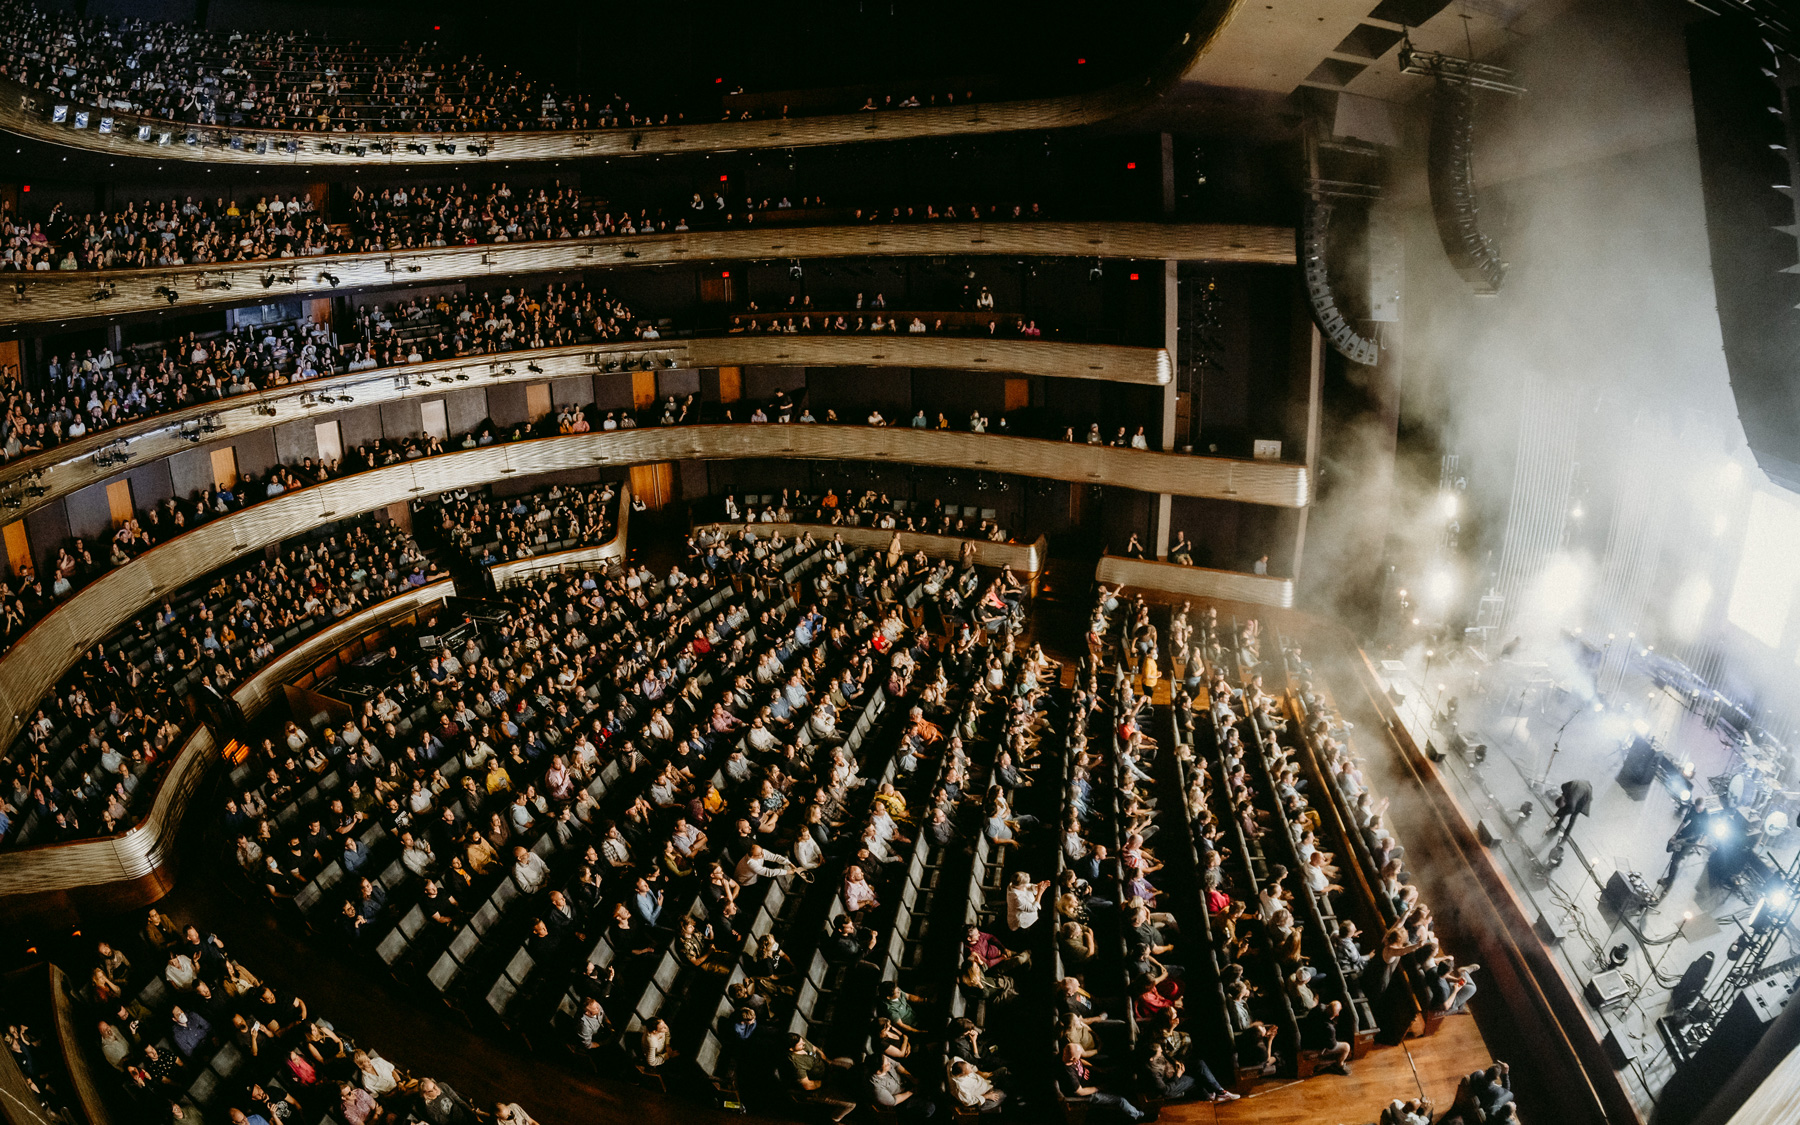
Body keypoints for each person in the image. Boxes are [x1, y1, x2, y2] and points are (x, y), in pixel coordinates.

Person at [1301, 999, 1352, 1075]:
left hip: (1306, 1038)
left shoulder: (1318, 1008)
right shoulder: (1329, 1028)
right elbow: (1331, 1046)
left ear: (1327, 1005)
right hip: (1314, 1047)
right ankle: (1339, 1065)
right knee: (1346, 1047)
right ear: (1337, 1015)